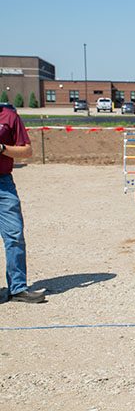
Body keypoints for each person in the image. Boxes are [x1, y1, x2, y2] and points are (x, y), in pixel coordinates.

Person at [0, 106, 45, 304]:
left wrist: (2, 148)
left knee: (14, 234)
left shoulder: (9, 116)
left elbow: (26, 150)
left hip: (3, 184)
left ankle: (17, 288)